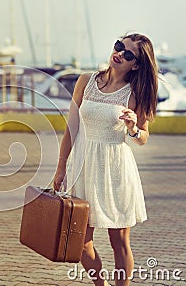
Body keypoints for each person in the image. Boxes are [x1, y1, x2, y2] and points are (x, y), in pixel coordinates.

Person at [53, 33, 158, 286]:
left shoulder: (136, 93)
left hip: (116, 170)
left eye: (128, 54)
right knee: (80, 242)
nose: (119, 53)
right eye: (119, 47)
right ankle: (101, 284)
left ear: (136, 64)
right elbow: (72, 128)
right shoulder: (86, 81)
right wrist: (61, 167)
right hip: (83, 168)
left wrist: (133, 128)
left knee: (119, 242)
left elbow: (142, 137)